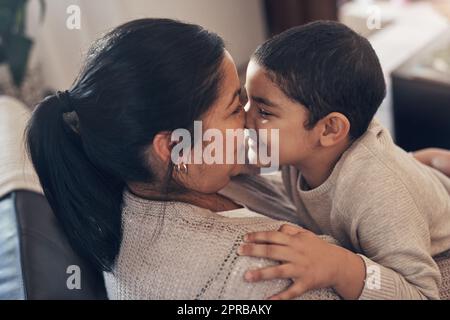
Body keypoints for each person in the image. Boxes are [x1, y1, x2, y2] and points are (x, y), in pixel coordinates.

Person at [25, 18, 338, 300]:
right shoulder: (257, 273)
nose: (248, 119)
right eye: (233, 108)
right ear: (175, 147)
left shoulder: (144, 184)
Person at [236, 21, 450, 300]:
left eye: (263, 111)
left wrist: (340, 266)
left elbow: (423, 293)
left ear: (329, 129)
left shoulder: (378, 199)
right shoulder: (297, 147)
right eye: (245, 101)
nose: (243, 117)